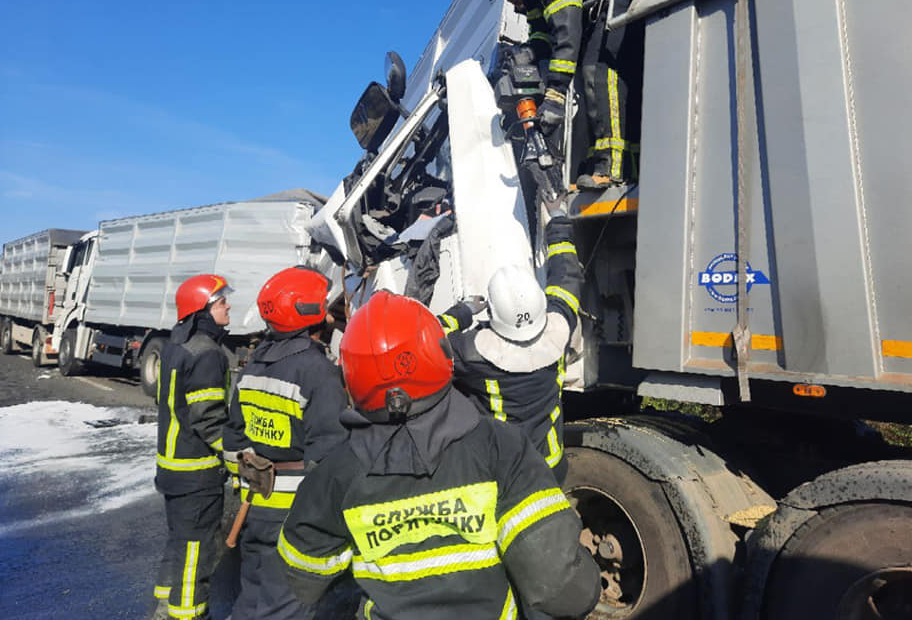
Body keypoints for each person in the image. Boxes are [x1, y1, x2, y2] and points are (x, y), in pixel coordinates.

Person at [277, 291, 600, 620]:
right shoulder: (501, 448)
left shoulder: (336, 472)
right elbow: (559, 587)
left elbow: (304, 576)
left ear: (351, 374)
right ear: (439, 355)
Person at [222, 265, 349, 620]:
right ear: (308, 312)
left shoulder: (252, 367)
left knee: (252, 598)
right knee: (285, 606)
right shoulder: (318, 372)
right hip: (294, 512)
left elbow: (233, 438)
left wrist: (247, 477)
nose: (327, 311)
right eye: (322, 305)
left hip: (255, 502)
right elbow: (331, 456)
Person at [478, 0, 642, 190]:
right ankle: (621, 166)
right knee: (588, 73)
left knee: (598, 71)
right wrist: (527, 52)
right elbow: (544, 35)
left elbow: (566, 33)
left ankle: (612, 169)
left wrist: (555, 95)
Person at [438, 202, 582, 483]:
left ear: (491, 311)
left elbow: (425, 338)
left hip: (503, 475)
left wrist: (463, 313)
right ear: (541, 303)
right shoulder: (560, 327)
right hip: (550, 469)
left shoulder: (470, 352)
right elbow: (567, 276)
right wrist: (558, 219)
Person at [153, 274, 234, 620]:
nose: (228, 306)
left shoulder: (175, 347)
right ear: (202, 311)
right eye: (220, 302)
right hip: (196, 474)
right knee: (195, 553)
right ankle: (187, 615)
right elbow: (209, 418)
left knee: (178, 543)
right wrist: (235, 456)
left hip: (172, 470)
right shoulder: (208, 355)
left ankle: (162, 607)